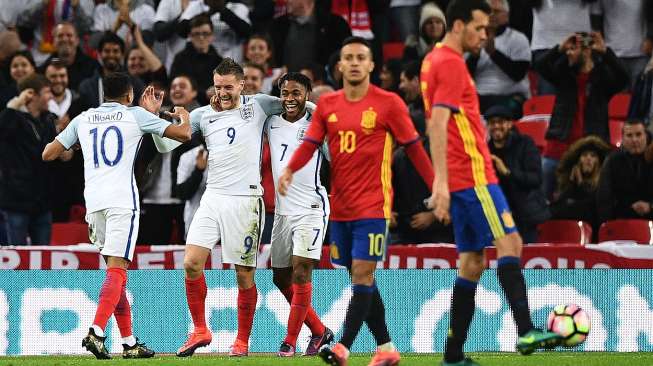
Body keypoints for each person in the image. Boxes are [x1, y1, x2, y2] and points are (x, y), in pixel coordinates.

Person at [421, 1, 562, 365]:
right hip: (473, 174)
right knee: (510, 241)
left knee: (471, 262)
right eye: (480, 28)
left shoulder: (433, 60)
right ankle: (526, 329)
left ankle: (453, 354)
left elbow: (439, 122)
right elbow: (436, 123)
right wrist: (441, 183)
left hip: (461, 176)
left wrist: (444, 181)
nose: (485, 35)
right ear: (458, 25)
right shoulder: (451, 63)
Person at [279, 36, 434, 366]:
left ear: (371, 65)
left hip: (374, 205)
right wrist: (290, 169)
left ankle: (342, 347)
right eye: (347, 57)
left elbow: (415, 147)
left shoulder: (389, 103)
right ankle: (387, 347)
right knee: (359, 278)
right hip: (341, 208)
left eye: (360, 57)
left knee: (363, 274)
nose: (353, 62)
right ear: (339, 66)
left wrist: (436, 187)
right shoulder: (328, 106)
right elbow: (309, 144)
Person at [41, 72, 192, 359]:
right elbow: (183, 135)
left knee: (115, 272)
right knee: (118, 270)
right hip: (122, 202)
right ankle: (96, 331)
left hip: (93, 203)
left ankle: (129, 342)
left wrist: (75, 145)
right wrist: (182, 116)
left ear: (103, 96)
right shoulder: (135, 115)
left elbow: (49, 154)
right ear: (128, 96)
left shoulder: (83, 118)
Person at [176, 58, 288, 358]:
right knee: (191, 263)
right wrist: (169, 123)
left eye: (228, 86)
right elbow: (168, 144)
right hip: (212, 197)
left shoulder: (260, 105)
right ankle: (200, 329)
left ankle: (242, 340)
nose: (223, 92)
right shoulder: (203, 115)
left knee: (244, 275)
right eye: (218, 86)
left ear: (242, 84)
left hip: (246, 201)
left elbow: (295, 107)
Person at [267, 72, 333, 357]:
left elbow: (338, 160)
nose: (290, 98)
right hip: (282, 212)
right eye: (285, 92)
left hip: (311, 208)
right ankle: (319, 332)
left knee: (301, 271)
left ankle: (290, 342)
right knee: (279, 278)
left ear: (308, 94)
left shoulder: (319, 126)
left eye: (296, 93)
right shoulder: (270, 123)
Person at [534, 31, 628, 200]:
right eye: (574, 47)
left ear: (589, 51)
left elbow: (624, 77)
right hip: (559, 149)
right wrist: (560, 49)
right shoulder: (564, 74)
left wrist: (605, 52)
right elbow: (539, 65)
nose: (574, 51)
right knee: (544, 187)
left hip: (591, 152)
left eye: (581, 47)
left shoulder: (602, 77)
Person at [0, 74, 58, 245]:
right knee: (17, 258)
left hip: (43, 202)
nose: (51, 97)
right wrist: (15, 104)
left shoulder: (49, 119)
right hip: (16, 202)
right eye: (47, 92)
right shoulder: (12, 118)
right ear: (32, 94)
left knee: (44, 258)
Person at [486, 105, 550, 244]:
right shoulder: (485, 150)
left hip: (525, 215)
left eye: (501, 122)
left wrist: (507, 172)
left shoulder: (525, 144)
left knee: (525, 259)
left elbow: (536, 179)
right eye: (492, 123)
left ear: (510, 124)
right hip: (498, 216)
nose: (496, 126)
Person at [466, 0, 531, 118]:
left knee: (501, 110)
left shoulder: (518, 39)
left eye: (496, 12)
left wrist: (494, 53)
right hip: (479, 97)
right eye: (487, 11)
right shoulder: (472, 39)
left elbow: (518, 74)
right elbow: (465, 76)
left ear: (507, 15)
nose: (491, 15)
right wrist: (474, 56)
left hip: (511, 97)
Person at [550, 135, 611, 233]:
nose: (588, 159)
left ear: (599, 162)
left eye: (593, 156)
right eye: (585, 155)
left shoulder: (603, 187)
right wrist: (574, 184)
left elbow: (593, 211)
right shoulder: (569, 187)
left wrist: (581, 184)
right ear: (578, 161)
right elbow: (556, 210)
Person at [597, 119, 653, 223]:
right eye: (629, 135)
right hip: (621, 222)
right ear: (622, 138)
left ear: (646, 136)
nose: (634, 140)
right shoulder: (612, 161)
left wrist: (650, 206)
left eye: (638, 134)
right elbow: (604, 199)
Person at [170, 14, 223, 105]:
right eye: (196, 34)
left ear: (212, 36)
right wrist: (204, 93)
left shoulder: (219, 61)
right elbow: (175, 85)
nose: (201, 38)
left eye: (205, 33)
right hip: (186, 105)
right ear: (190, 36)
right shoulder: (180, 59)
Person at [42, 22, 100, 92]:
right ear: (54, 41)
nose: (65, 39)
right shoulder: (44, 68)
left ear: (77, 40)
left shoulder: (93, 67)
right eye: (60, 36)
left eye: (69, 35)